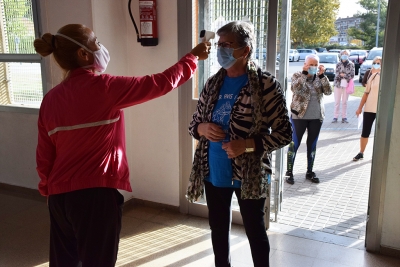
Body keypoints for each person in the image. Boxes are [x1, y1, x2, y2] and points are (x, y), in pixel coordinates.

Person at [34, 24, 210, 267]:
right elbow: (160, 82)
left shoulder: (50, 100)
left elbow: (44, 156)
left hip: (59, 198)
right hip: (95, 197)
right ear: (83, 54)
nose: (101, 46)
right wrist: (192, 58)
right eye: (95, 42)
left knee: (64, 262)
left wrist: (47, 190)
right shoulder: (105, 88)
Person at [185, 21, 292, 267]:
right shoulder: (213, 83)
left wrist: (246, 145)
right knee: (218, 229)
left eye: (227, 45)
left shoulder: (266, 85)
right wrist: (201, 128)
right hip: (214, 171)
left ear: (245, 50)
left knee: (255, 230)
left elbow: (284, 134)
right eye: (219, 44)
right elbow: (194, 125)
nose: (220, 50)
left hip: (250, 174)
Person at [285, 54, 332, 185]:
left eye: (316, 65)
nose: (313, 67)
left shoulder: (320, 78)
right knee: (294, 143)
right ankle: (289, 172)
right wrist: (305, 74)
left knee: (312, 144)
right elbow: (295, 89)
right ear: (305, 64)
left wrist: (322, 76)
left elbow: (328, 91)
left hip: (316, 117)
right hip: (299, 116)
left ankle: (309, 171)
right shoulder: (297, 75)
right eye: (311, 64)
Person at [353, 56, 382, 161]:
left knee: (381, 132)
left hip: (382, 110)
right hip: (369, 108)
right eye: (375, 63)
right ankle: (361, 152)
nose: (377, 65)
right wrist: (359, 108)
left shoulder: (387, 77)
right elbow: (366, 93)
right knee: (365, 131)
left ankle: (379, 154)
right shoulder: (372, 76)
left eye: (379, 63)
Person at [332, 49, 355, 123]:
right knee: (337, 102)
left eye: (346, 54)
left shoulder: (351, 64)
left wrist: (344, 75)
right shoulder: (338, 64)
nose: (344, 55)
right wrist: (342, 75)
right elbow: (337, 74)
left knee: (344, 102)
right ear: (341, 55)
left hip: (346, 85)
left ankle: (344, 117)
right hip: (338, 84)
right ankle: (335, 117)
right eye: (343, 54)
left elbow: (352, 75)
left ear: (348, 55)